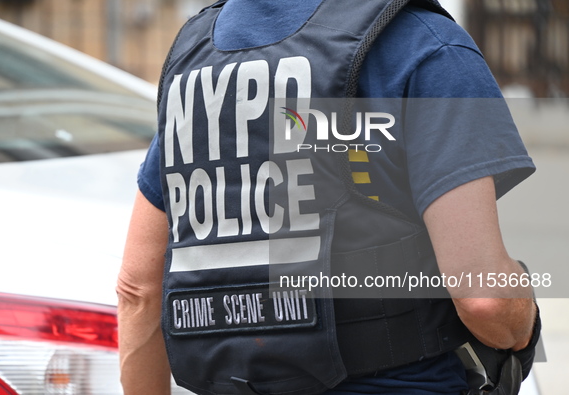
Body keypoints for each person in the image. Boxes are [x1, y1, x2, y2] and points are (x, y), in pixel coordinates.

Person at [117, 1, 539, 394]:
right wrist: (523, 321)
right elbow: (484, 299)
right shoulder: (423, 44)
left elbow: (138, 290)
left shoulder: (197, 59)